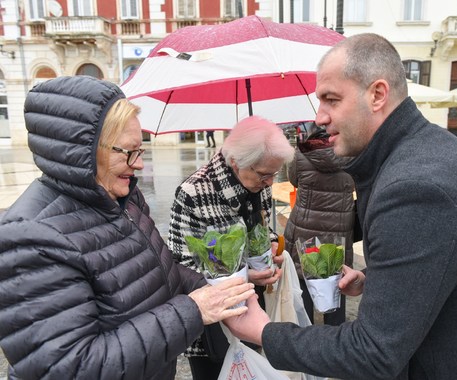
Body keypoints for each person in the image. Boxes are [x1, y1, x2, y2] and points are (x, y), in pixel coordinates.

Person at [224, 34, 457, 379]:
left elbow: (373, 351)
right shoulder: (421, 152)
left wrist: (264, 332)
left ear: (377, 95)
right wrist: (379, 281)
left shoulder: (415, 187)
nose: (321, 116)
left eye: (331, 99)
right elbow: (449, 265)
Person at [0, 76, 254, 380]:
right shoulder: (31, 236)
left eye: (141, 150)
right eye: (129, 152)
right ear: (83, 150)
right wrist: (193, 310)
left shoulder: (123, 198)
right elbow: (70, 367)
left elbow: (159, 271)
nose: (140, 165)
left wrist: (214, 289)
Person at [168, 115, 295, 379]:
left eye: (275, 173)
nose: (271, 182)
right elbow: (180, 267)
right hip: (212, 325)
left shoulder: (260, 187)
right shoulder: (193, 192)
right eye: (264, 174)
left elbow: (263, 229)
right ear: (236, 162)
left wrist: (270, 247)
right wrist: (245, 276)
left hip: (252, 311)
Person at [283, 122, 355, 325]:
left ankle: (305, 340)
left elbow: (294, 180)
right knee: (337, 284)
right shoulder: (353, 153)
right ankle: (336, 342)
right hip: (338, 232)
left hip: (305, 230)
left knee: (303, 283)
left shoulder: (301, 153)